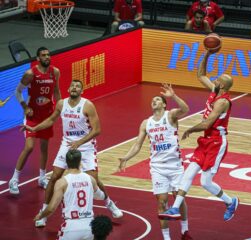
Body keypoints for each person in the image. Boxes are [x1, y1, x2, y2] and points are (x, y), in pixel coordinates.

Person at [23, 80, 122, 227]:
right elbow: (51, 119)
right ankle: (43, 213)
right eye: (72, 85)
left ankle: (109, 203)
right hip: (67, 144)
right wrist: (34, 128)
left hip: (86, 145)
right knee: (54, 177)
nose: (74, 87)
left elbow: (97, 130)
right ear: (68, 89)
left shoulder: (87, 105)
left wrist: (80, 142)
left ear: (81, 91)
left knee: (93, 179)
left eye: (78, 86)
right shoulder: (61, 104)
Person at [158, 50, 239, 222]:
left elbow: (206, 124)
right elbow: (201, 75)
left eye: (217, 80)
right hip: (205, 141)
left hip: (217, 143)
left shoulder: (222, 102)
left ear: (222, 86)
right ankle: (174, 209)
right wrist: (208, 54)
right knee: (188, 174)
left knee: (205, 182)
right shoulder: (214, 90)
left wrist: (190, 130)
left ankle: (231, 202)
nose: (214, 80)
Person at [118, 84, 193, 240]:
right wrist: (126, 158)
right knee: (162, 202)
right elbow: (137, 144)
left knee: (178, 197)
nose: (154, 101)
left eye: (158, 99)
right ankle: (166, 238)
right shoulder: (146, 123)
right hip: (157, 168)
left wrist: (173, 96)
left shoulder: (170, 115)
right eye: (153, 100)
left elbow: (185, 109)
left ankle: (184, 231)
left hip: (175, 166)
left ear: (164, 104)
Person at [9, 47, 61, 195]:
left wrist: (60, 107)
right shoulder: (30, 74)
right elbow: (17, 91)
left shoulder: (55, 72)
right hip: (32, 116)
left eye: (48, 54)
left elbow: (56, 91)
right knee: (30, 147)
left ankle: (42, 177)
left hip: (48, 115)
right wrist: (25, 106)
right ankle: (14, 179)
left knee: (44, 148)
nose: (47, 57)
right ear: (38, 58)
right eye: (43, 55)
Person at [34, 149, 107, 240]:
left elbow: (51, 208)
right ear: (80, 162)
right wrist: (105, 197)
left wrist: (41, 215)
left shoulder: (62, 182)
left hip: (71, 227)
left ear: (66, 163)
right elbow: (100, 196)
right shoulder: (90, 179)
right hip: (90, 227)